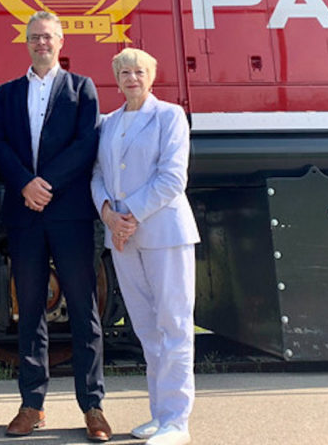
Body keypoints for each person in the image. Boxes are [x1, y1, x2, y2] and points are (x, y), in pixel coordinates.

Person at [0, 11, 111, 442]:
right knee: (29, 315)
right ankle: (32, 405)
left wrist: (47, 183)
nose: (42, 43)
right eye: (35, 37)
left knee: (83, 310)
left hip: (69, 214)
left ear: (61, 42)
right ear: (26, 42)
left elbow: (87, 143)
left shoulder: (82, 89)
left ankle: (92, 407)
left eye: (49, 37)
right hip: (25, 215)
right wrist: (25, 183)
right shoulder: (7, 94)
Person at [90, 48, 199, 445]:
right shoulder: (108, 123)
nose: (131, 77)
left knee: (174, 324)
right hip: (122, 237)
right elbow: (99, 173)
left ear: (151, 76)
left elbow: (172, 178)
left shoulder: (169, 116)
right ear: (115, 78)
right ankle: (159, 414)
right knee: (147, 328)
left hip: (164, 233)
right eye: (123, 71)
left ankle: (177, 420)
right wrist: (108, 215)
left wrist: (128, 216)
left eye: (138, 71)